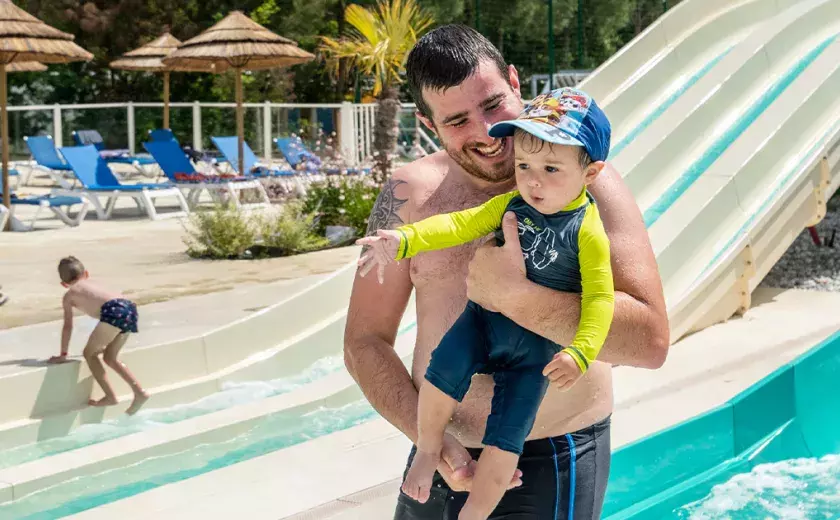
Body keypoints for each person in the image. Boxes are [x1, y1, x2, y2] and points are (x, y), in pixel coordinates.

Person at [344, 24, 669, 520]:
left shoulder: (589, 187)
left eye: (493, 104)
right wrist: (429, 438)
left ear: (516, 83)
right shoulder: (409, 195)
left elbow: (650, 342)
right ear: (429, 124)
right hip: (435, 450)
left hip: (551, 457)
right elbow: (364, 340)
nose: (485, 134)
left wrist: (517, 299)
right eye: (456, 120)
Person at [357, 87, 615, 519]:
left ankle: (476, 510)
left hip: (534, 350)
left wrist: (580, 352)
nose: (533, 180)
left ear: (590, 174)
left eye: (550, 168)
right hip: (483, 322)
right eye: (524, 165)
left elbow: (601, 297)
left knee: (506, 440)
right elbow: (458, 224)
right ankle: (426, 450)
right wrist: (403, 240)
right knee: (442, 373)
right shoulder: (511, 203)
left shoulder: (587, 230)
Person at [48, 256, 150, 415]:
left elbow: (68, 326)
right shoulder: (94, 283)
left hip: (113, 312)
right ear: (86, 273)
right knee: (110, 357)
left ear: (63, 284)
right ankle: (139, 392)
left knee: (89, 353)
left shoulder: (69, 296)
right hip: (129, 308)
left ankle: (110, 396)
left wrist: (63, 354)